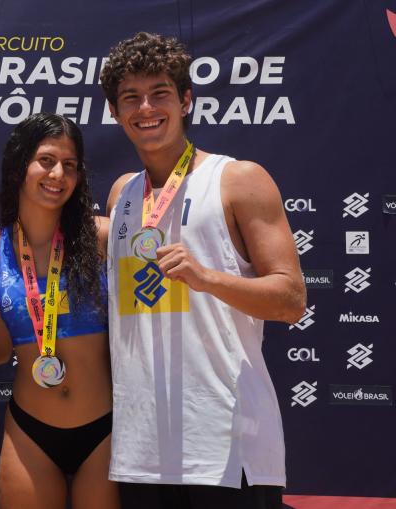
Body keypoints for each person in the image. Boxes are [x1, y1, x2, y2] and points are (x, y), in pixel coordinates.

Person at [100, 32, 306, 508]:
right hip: (143, 453)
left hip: (228, 449)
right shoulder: (121, 195)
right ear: (115, 112)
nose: (146, 108)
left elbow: (292, 299)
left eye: (160, 94)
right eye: (131, 97)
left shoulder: (238, 179)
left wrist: (207, 277)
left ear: (186, 100)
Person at [0, 113, 119, 509]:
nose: (58, 174)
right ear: (20, 164)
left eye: (70, 165)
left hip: (105, 431)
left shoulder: (103, 236)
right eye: (47, 160)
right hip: (29, 435)